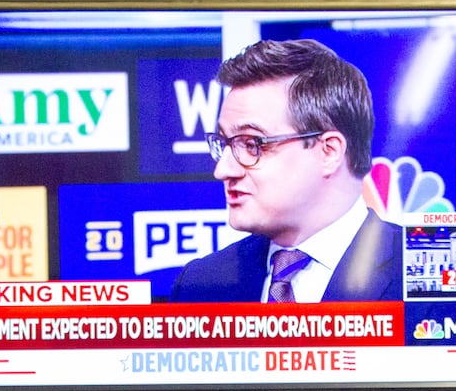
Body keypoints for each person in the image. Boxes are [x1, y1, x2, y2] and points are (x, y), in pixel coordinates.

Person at [169, 38, 403, 304]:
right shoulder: (200, 285)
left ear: (329, 152)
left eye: (252, 144)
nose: (222, 170)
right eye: (224, 143)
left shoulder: (430, 283)